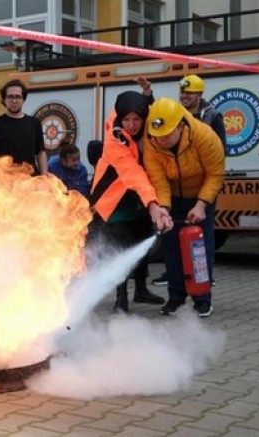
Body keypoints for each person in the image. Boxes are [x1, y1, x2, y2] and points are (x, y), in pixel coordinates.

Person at [89, 90, 173, 313]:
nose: (131, 125)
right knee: (121, 246)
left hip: (141, 197)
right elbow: (132, 172)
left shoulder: (149, 130)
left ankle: (141, 290)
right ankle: (121, 298)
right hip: (115, 198)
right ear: (120, 118)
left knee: (142, 240)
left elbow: (158, 115)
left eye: (136, 119)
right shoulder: (114, 139)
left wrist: (149, 96)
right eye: (126, 119)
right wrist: (153, 204)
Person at [143, 98, 225, 318]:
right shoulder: (152, 142)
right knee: (171, 247)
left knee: (200, 247)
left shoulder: (205, 136)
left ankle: (202, 299)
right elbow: (158, 179)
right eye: (158, 136)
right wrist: (164, 209)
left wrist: (201, 205)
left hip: (201, 195)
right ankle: (176, 299)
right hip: (173, 196)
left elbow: (215, 174)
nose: (162, 141)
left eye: (167, 135)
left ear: (181, 125)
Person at [0, 79, 47, 176]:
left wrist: (44, 176)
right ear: (4, 99)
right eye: (10, 97)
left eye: (18, 97)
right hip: (3, 181)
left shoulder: (34, 123)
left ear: (23, 99)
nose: (14, 100)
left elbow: (41, 152)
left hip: (30, 181)